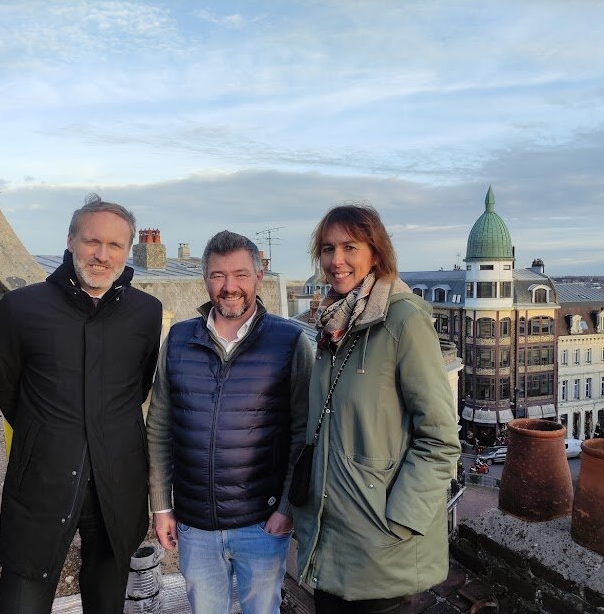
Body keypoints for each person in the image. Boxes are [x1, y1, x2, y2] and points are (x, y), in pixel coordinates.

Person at [0, 194, 163, 613]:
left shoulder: (146, 312)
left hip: (117, 485)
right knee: (23, 599)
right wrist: (51, 435)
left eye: (115, 245)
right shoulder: (19, 309)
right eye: (91, 242)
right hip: (41, 484)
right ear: (70, 240)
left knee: (107, 601)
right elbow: (10, 393)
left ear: (128, 249)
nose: (102, 255)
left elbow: (136, 388)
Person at [291, 204, 461, 614]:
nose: (336, 260)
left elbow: (440, 438)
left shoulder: (403, 320)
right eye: (328, 249)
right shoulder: (337, 322)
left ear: (376, 252)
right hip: (331, 533)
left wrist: (398, 520)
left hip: (378, 541)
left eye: (350, 246)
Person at [146, 230, 313, 614]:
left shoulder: (288, 341)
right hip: (195, 526)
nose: (229, 286)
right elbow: (159, 428)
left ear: (259, 276)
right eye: (218, 275)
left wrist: (286, 506)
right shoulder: (178, 339)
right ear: (205, 279)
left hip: (262, 523)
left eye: (240, 274)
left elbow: (303, 435)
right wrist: (161, 505)